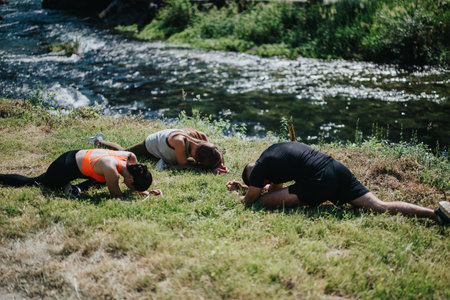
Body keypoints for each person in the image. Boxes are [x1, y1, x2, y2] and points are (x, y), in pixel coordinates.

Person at [226, 142, 450, 225]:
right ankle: (436, 214)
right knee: (379, 206)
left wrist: (243, 194)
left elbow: (253, 199)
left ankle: (435, 215)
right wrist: (250, 187)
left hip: (318, 181)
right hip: (335, 167)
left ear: (257, 177)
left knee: (264, 202)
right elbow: (275, 185)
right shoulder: (273, 153)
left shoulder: (261, 169)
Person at [0, 149, 161, 198]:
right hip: (63, 167)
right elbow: (117, 195)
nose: (129, 187)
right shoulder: (112, 171)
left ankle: (75, 188)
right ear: (130, 179)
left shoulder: (130, 158)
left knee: (101, 180)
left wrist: (143, 191)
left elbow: (132, 179)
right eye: (131, 186)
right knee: (35, 181)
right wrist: (144, 195)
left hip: (75, 155)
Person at [88, 128, 228, 174]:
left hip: (166, 152)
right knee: (124, 153)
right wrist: (208, 169)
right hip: (151, 146)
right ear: (196, 156)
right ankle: (98, 141)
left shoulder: (202, 139)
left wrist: (219, 165)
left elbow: (216, 151)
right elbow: (183, 165)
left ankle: (98, 141)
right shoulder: (180, 142)